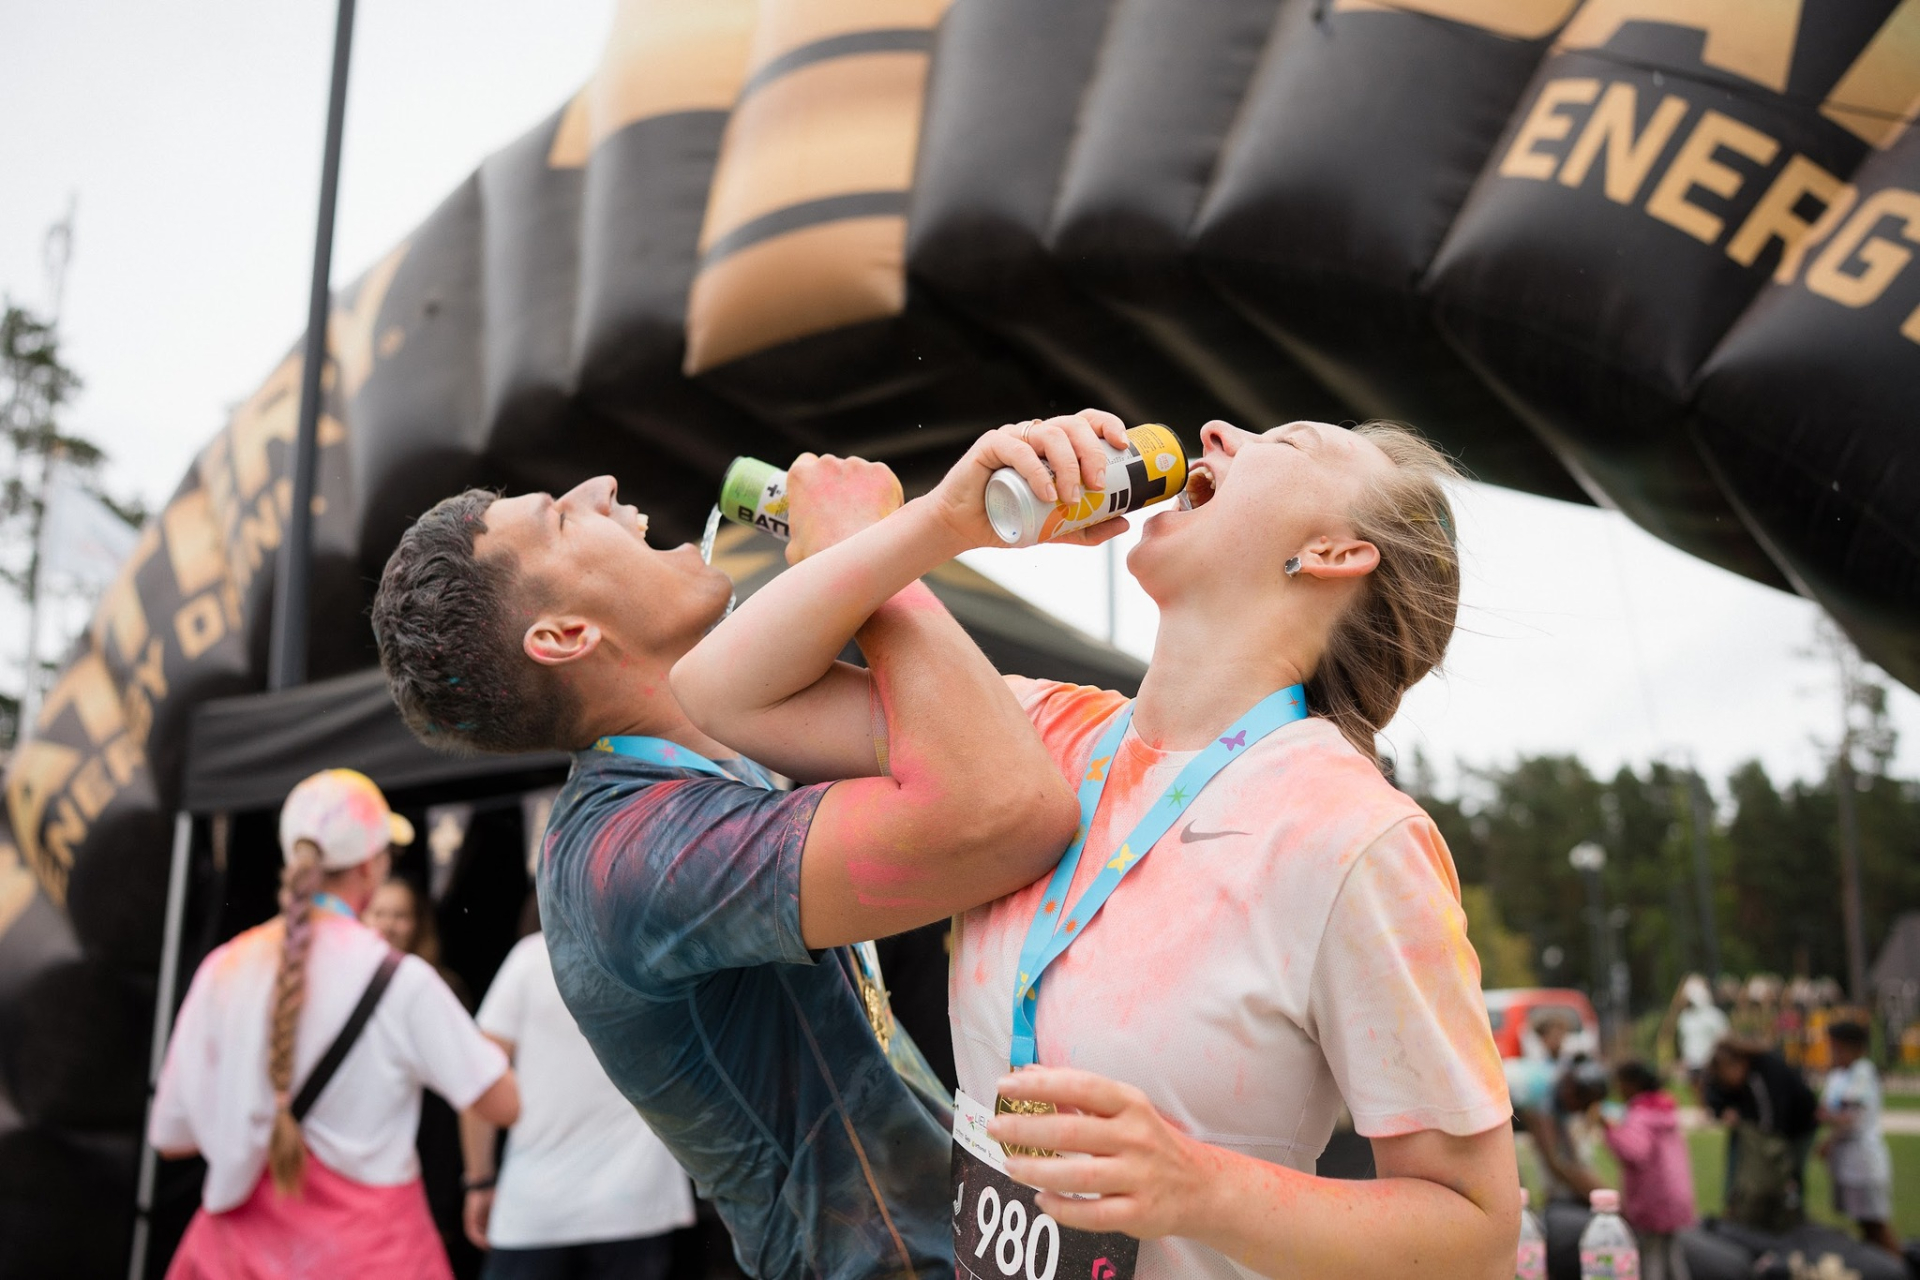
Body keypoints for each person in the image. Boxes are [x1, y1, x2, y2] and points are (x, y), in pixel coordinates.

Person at [685, 412, 1524, 1278]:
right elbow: (723, 694)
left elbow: (1479, 1232)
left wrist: (1198, 1186)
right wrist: (939, 523)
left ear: (1330, 554)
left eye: (1288, 443)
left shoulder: (1352, 835)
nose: (1217, 431)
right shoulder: (1043, 732)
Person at [371, 423, 1109, 1279]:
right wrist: (867, 551)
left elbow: (1005, 735)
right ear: (567, 635)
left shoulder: (722, 749)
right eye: (563, 521)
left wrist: (938, 529)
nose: (603, 486)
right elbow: (1011, 811)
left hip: (981, 1248)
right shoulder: (629, 855)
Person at [149, 768, 521, 1278]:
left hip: (237, 1259)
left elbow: (172, 1137)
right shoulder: (402, 981)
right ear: (371, 866)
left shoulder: (224, 968)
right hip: (371, 1258)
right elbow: (502, 1103)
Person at [462, 907, 696, 1279]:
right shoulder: (659, 957)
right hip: (636, 1201)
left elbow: (478, 1077)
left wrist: (480, 1179)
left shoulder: (530, 958)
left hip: (537, 1205)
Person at [1705, 1039, 1819, 1230]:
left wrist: (1754, 1129)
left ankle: (1790, 1220)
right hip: (1766, 1128)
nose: (1727, 1081)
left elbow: (1772, 1119)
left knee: (1787, 1174)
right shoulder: (1735, 1075)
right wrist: (1723, 1110)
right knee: (1749, 1171)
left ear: (1739, 1064)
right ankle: (1748, 1214)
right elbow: (1716, 1091)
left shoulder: (1765, 1070)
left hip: (1796, 1128)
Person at [1599, 1061, 1696, 1280]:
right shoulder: (1663, 1110)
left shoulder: (1640, 1115)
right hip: (1676, 1196)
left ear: (1632, 1084)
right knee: (1672, 1256)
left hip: (1654, 1199)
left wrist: (1611, 1130)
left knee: (1650, 1261)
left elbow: (1636, 1151)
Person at [1819, 1020, 1898, 1255]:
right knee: (1864, 1225)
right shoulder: (1839, 1075)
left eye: (1837, 1047)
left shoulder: (1862, 1071)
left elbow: (1848, 1116)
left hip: (1863, 1160)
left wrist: (1828, 1117)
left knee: (1875, 1225)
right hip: (1847, 1159)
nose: (1833, 1052)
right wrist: (1829, 1140)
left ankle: (1899, 1268)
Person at [1510, 1055, 1612, 1205]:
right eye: (1581, 1105)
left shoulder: (1561, 1090)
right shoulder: (1541, 1094)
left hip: (1512, 1106)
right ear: (1571, 1092)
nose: (1578, 1111)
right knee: (1512, 1186)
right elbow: (1555, 1163)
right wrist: (1601, 1198)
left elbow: (1572, 1157)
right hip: (1489, 1105)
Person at [1672, 975, 1730, 1093]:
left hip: (1710, 1061)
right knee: (1696, 1089)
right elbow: (1683, 1040)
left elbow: (1724, 1037)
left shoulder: (1714, 1016)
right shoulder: (1685, 1018)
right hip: (1692, 1060)